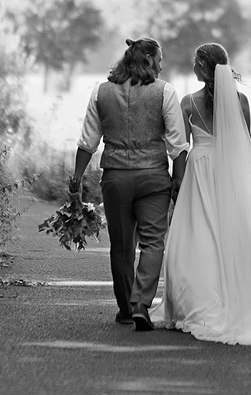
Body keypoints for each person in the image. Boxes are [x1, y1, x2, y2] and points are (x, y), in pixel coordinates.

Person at [150, 42, 251, 345]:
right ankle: (240, 301)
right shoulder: (243, 102)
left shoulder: (187, 103)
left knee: (198, 237)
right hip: (230, 173)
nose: (194, 66)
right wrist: (244, 182)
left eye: (197, 62)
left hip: (200, 172)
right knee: (233, 234)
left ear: (202, 66)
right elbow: (246, 146)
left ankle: (197, 303)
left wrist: (176, 185)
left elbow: (181, 150)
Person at [72, 38, 189, 331]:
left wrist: (76, 179)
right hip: (153, 178)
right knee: (153, 242)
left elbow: (88, 141)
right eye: (159, 59)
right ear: (148, 59)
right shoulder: (165, 92)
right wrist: (179, 183)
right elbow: (178, 146)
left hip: (115, 177)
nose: (162, 65)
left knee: (121, 245)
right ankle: (141, 304)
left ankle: (125, 308)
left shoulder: (101, 92)